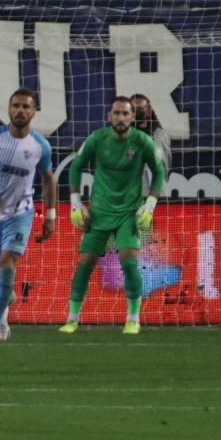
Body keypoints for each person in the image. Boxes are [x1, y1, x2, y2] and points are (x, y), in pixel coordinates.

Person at [59, 96, 166, 335]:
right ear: (109, 116)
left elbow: (158, 172)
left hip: (129, 212)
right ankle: (72, 319)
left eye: (125, 113)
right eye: (116, 113)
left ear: (132, 117)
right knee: (85, 264)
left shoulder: (143, 142)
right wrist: (76, 202)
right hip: (98, 212)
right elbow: (76, 166)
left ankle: (133, 318)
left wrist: (150, 204)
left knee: (129, 262)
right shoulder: (97, 139)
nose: (120, 118)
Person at [0, 87, 56, 342]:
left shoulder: (40, 146)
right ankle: (3, 301)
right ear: (9, 109)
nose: (20, 110)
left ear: (34, 112)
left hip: (21, 214)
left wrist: (50, 215)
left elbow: (48, 179)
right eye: (16, 106)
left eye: (26, 107)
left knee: (8, 261)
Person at [131, 93, 171, 197]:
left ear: (149, 111)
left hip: (156, 185)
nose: (136, 112)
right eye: (133, 109)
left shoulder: (160, 134)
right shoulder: (122, 135)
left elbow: (166, 162)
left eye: (140, 108)